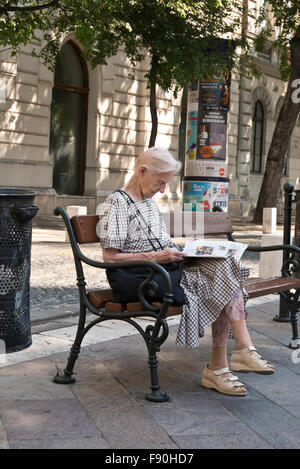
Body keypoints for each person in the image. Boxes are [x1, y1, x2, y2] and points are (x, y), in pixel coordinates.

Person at [98, 147, 275, 397]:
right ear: (142, 171)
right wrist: (158, 256)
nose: (161, 189)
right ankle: (225, 363)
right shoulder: (117, 202)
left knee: (225, 267)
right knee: (222, 278)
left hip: (166, 269)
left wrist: (187, 251)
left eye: (165, 183)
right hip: (142, 278)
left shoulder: (148, 203)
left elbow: (159, 242)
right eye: (160, 182)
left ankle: (236, 355)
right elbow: (110, 257)